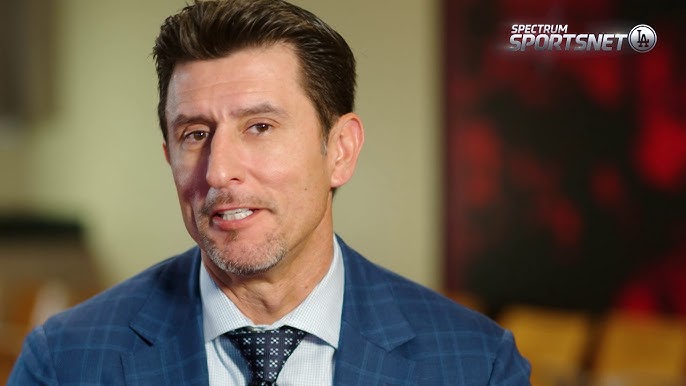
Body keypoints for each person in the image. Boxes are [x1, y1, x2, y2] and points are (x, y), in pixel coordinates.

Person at [8, 0, 530, 384]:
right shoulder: (64, 361)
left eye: (259, 126)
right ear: (169, 155)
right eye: (194, 134)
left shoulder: (476, 364)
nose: (218, 172)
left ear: (341, 150)